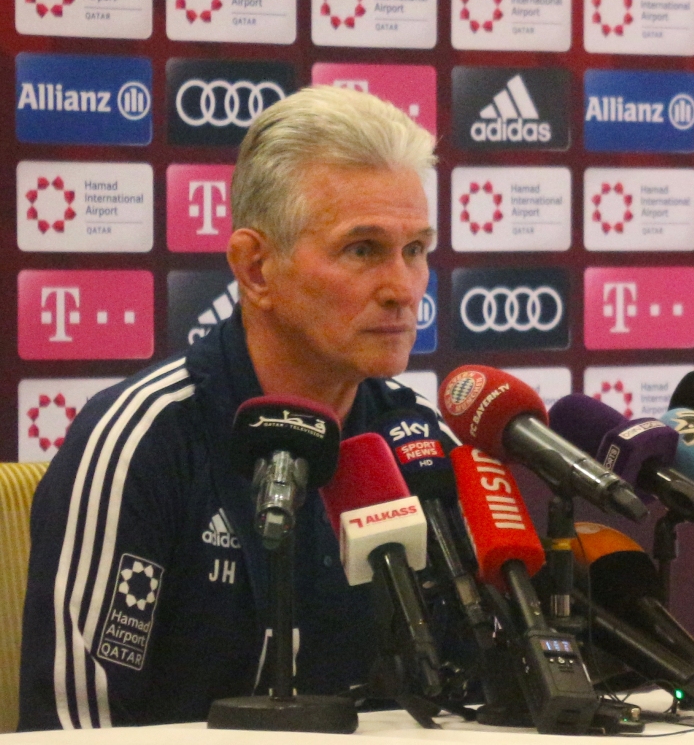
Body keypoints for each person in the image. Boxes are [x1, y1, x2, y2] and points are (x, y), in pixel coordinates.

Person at [18, 86, 456, 730]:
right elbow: (73, 729)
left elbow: (476, 702)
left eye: (415, 249)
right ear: (255, 267)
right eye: (361, 249)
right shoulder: (139, 440)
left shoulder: (423, 444)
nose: (402, 289)